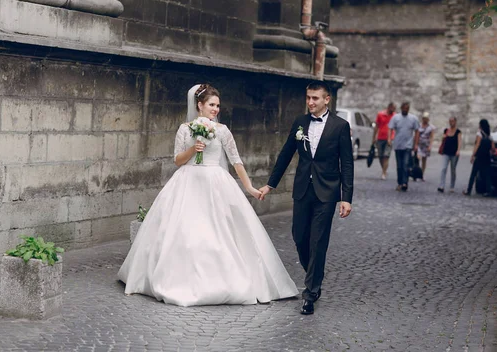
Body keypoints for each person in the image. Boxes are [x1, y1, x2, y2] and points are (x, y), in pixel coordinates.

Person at [117, 84, 298, 307]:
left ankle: (227, 281)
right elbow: (177, 160)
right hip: (187, 181)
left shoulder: (222, 130)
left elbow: (236, 161)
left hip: (216, 182)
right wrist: (194, 149)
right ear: (199, 105)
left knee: (222, 232)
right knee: (183, 232)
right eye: (211, 105)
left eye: (218, 105)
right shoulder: (185, 129)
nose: (215, 109)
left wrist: (249, 188)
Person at [258, 82, 353, 315]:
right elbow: (286, 153)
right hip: (302, 189)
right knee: (299, 237)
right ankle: (315, 273)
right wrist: (271, 184)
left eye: (316, 98)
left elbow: (347, 163)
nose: (311, 102)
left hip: (327, 192)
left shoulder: (341, 126)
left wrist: (346, 197)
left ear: (327, 100)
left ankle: (310, 293)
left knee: (318, 240)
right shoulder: (300, 122)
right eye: (308, 98)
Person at [388, 101, 419, 192]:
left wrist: (416, 143)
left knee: (405, 164)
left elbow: (417, 131)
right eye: (404, 108)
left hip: (408, 145)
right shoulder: (396, 118)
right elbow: (390, 128)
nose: (406, 110)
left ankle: (405, 183)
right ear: (401, 108)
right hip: (398, 145)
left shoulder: (413, 118)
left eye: (407, 108)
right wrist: (389, 139)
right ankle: (400, 182)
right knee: (399, 166)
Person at [463, 119, 495, 196]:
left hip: (479, 156)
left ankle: (469, 190)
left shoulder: (479, 134)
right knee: (486, 174)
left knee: (473, 174)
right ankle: (488, 190)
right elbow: (493, 148)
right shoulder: (489, 135)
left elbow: (477, 145)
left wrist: (473, 155)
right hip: (486, 157)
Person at [437, 117, 462, 193]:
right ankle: (441, 186)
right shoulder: (446, 130)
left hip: (454, 153)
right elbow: (443, 140)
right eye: (450, 121)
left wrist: (458, 150)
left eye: (452, 121)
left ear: (455, 122)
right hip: (446, 152)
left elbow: (459, 141)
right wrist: (443, 137)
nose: (451, 122)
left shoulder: (458, 132)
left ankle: (452, 186)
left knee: (453, 170)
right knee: (443, 168)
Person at [373, 102, 396, 180]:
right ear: (389, 107)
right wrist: (374, 137)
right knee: (380, 156)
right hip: (380, 137)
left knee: (386, 156)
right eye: (393, 108)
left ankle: (384, 172)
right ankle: (384, 169)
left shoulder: (395, 116)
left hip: (390, 138)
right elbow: (377, 126)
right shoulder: (380, 114)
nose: (394, 110)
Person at [416, 112, 436, 180]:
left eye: (426, 119)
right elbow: (417, 135)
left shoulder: (431, 127)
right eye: (424, 118)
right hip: (419, 143)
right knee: (418, 158)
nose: (425, 120)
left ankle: (422, 174)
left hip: (426, 144)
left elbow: (431, 137)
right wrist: (415, 144)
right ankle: (416, 173)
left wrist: (430, 146)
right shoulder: (419, 126)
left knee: (424, 160)